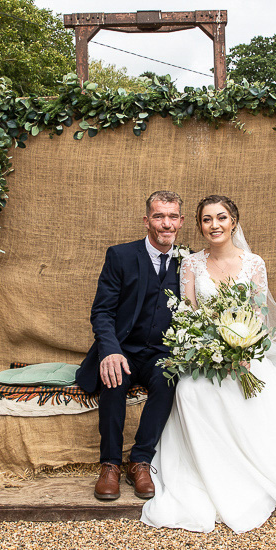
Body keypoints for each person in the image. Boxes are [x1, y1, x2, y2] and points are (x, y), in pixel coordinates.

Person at [140, 195, 276, 533]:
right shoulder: (191, 264)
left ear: (233, 221)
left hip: (247, 351)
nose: (215, 225)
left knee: (257, 392)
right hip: (206, 353)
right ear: (200, 226)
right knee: (191, 390)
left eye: (221, 218)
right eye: (207, 220)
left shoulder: (253, 263)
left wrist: (244, 351)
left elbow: (260, 315)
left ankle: (249, 472)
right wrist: (208, 347)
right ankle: (204, 475)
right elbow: (189, 313)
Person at [75, 190, 184, 501]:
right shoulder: (120, 256)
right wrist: (109, 350)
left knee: (168, 379)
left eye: (172, 216)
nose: (166, 223)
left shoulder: (187, 262)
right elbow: (102, 311)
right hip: (122, 349)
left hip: (162, 353)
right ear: (146, 220)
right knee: (113, 377)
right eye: (159, 216)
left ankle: (140, 461)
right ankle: (109, 464)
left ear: (181, 221)